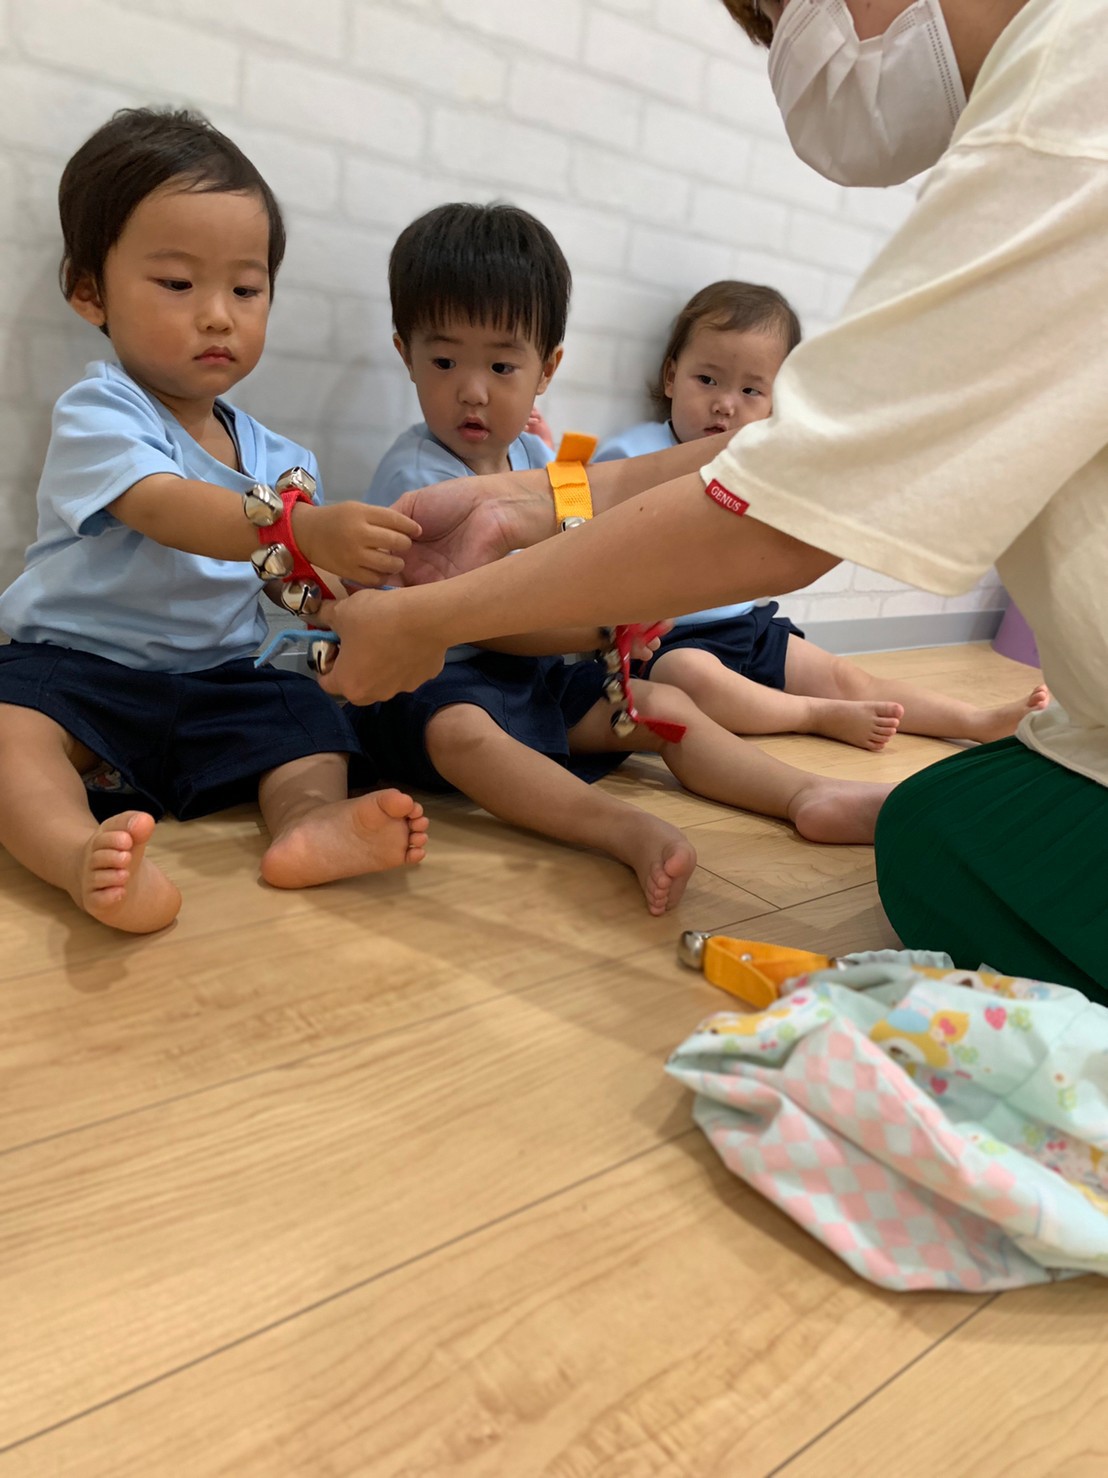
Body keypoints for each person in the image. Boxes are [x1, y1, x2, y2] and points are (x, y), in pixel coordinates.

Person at [316, 0, 1108, 998]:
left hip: (588, 663)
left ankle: (788, 779)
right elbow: (775, 468)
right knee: (905, 809)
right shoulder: (460, 469)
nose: (796, 49)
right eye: (445, 361)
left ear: (547, 366)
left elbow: (783, 497)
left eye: (780, 9)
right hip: (495, 681)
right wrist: (520, 515)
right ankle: (630, 817)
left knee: (708, 715)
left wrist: (460, 603)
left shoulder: (1065, 105)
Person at [347, 203, 894, 913]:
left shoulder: (538, 457)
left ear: (547, 369)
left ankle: (803, 792)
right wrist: (602, 629)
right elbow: (485, 622)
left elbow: (580, 546)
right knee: (464, 735)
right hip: (442, 682)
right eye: (445, 361)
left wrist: (611, 621)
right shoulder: (417, 478)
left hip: (539, 676)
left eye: (502, 365)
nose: (473, 390)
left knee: (664, 705)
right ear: (406, 354)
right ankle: (621, 828)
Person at [0, 107, 429, 935]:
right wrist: (303, 530)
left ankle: (308, 823)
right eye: (177, 284)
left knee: (308, 716)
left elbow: (293, 584)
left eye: (245, 288)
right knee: (10, 727)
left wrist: (351, 597)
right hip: (81, 670)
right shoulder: (100, 411)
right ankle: (74, 852)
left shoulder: (282, 457)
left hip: (223, 675)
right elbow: (164, 506)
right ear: (89, 290)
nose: (218, 315)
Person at [597, 280, 1048, 753]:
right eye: (707, 380)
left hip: (746, 624)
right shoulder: (632, 457)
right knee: (689, 676)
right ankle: (813, 714)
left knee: (846, 677)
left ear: (775, 405)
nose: (725, 404)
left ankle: (976, 721)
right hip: (670, 640)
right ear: (671, 376)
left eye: (751, 390)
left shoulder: (760, 472)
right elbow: (590, 544)